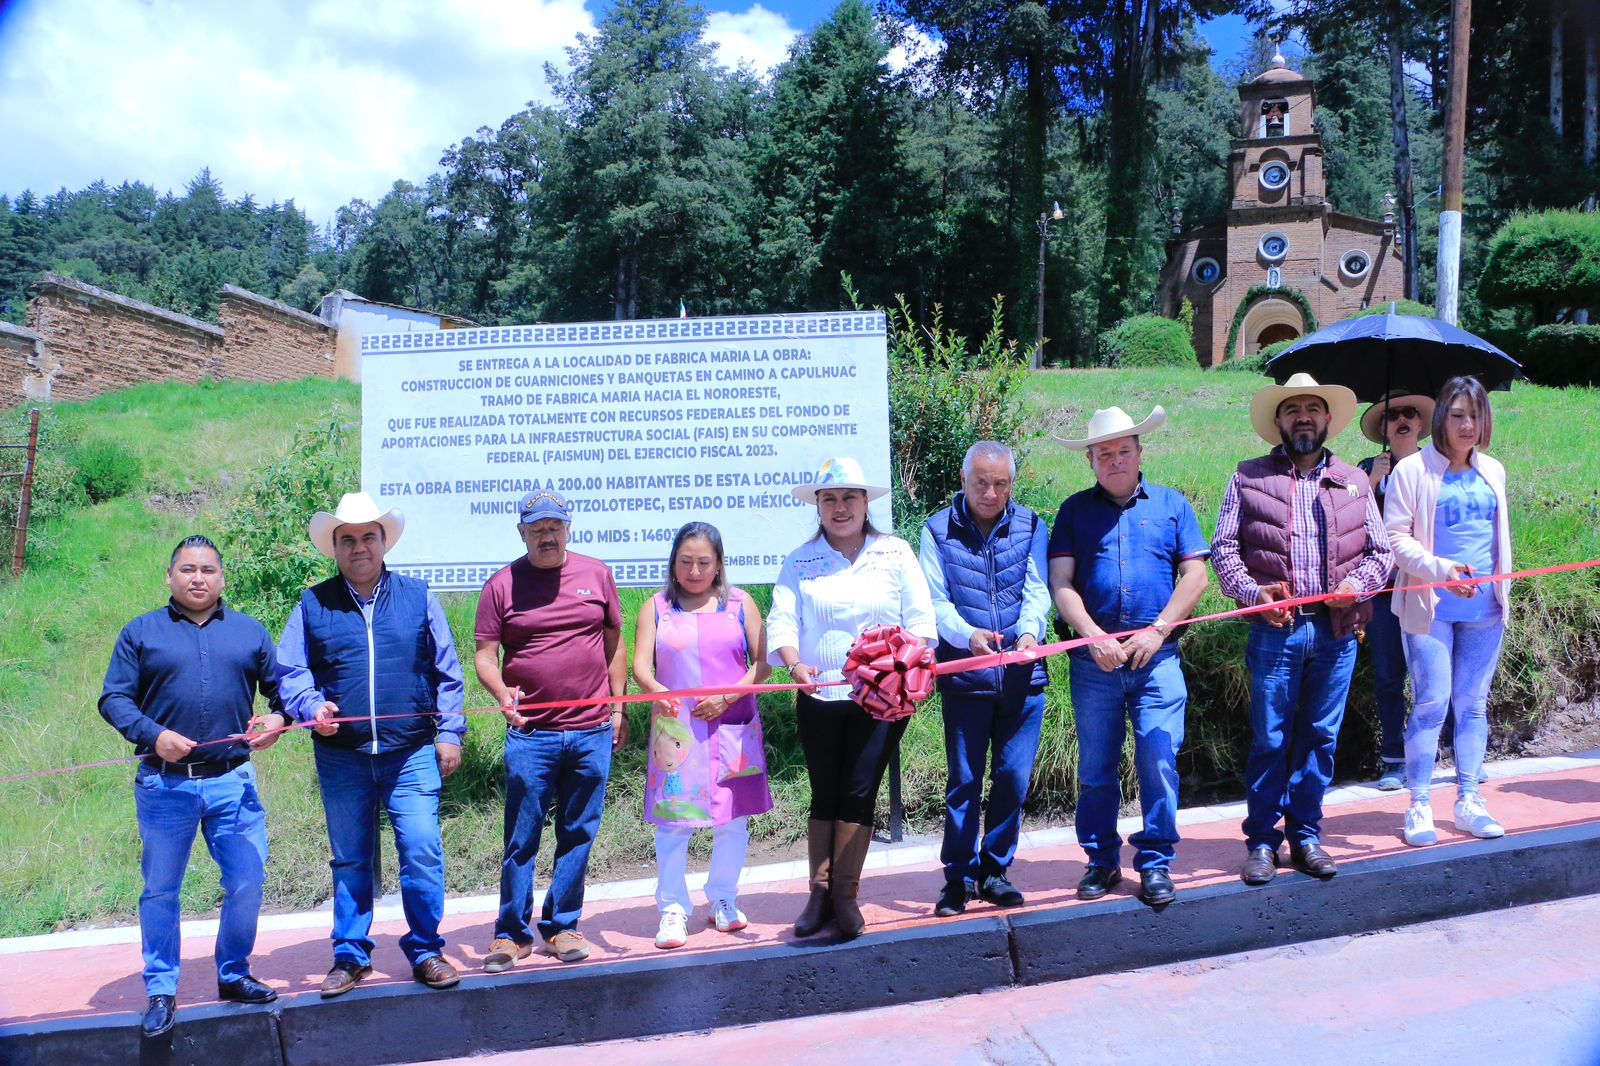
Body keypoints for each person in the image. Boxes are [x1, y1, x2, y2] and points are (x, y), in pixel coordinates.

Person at [277, 492, 465, 997]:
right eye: (347, 540)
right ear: (334, 548)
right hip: (343, 758)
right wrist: (309, 707)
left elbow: (448, 671)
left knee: (422, 849)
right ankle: (351, 955)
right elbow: (291, 672)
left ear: (383, 542)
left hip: (412, 754)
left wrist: (450, 732)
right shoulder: (312, 604)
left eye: (368, 537)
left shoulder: (419, 596)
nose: (359, 547)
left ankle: (426, 949)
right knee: (350, 858)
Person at [99, 535, 286, 1039]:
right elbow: (114, 699)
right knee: (161, 890)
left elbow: (283, 690)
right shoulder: (141, 633)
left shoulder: (249, 633)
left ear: (222, 578)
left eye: (208, 569)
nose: (197, 578)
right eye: (187, 569)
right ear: (169, 575)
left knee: (247, 880)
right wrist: (152, 735)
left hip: (233, 784)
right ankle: (161, 988)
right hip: (165, 787)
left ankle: (234, 974)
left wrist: (279, 717)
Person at [1212, 373, 1394, 885]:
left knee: (1320, 737)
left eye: (1313, 408)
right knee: (1270, 738)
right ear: (1279, 421)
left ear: (1328, 419)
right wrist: (1254, 595)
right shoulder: (1247, 478)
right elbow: (1224, 552)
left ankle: (1307, 836)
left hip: (1337, 634)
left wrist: (1355, 587)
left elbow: (1380, 556)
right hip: (1276, 632)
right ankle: (1263, 842)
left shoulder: (1356, 483)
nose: (1304, 417)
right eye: (1293, 409)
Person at [1047, 407, 1211, 907]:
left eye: (1123, 451)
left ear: (1140, 453)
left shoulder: (1172, 505)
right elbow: (1060, 583)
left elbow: (1196, 576)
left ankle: (1156, 862)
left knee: (1158, 759)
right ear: (1091, 461)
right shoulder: (1074, 511)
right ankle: (1100, 861)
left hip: (1156, 660)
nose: (1114, 460)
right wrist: (1094, 635)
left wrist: (1158, 632)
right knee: (1096, 767)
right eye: (1103, 454)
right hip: (1094, 663)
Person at [768, 457, 937, 939]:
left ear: (866, 503)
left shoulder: (895, 552)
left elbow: (921, 623)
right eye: (829, 499)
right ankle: (818, 893)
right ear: (817, 507)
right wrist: (795, 663)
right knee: (825, 790)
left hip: (881, 700)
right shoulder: (799, 560)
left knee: (859, 789)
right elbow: (781, 619)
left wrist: (907, 670)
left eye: (849, 498)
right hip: (819, 694)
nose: (840, 508)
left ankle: (845, 894)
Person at [474, 489, 629, 968]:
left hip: (591, 729)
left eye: (554, 526)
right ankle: (512, 933)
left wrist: (618, 708)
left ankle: (562, 925)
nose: (547, 535)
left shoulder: (596, 574)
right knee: (521, 836)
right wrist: (502, 694)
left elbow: (615, 643)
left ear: (568, 528)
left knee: (578, 831)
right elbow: (484, 656)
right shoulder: (502, 585)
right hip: (531, 734)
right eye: (537, 528)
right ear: (521, 532)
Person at [918, 441, 1049, 917]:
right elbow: (935, 601)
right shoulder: (935, 531)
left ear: (1012, 483)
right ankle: (957, 878)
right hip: (966, 680)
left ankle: (994, 871)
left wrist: (1031, 632)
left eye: (1001, 483)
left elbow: (1038, 589)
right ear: (963, 477)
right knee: (965, 781)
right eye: (982, 483)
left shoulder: (1033, 524)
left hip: (1023, 677)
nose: (991, 493)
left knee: (1012, 778)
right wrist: (967, 635)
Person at [1384, 375, 1512, 847]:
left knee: (1473, 705)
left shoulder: (1493, 470)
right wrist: (1440, 569)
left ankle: (1469, 799)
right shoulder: (1412, 471)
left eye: (1475, 415)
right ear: (1441, 417)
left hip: (1486, 609)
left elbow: (1499, 540)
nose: (1467, 424)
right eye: (1457, 414)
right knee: (1432, 703)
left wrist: (1501, 589)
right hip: (1429, 606)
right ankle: (1418, 802)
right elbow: (1395, 539)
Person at [632, 522, 772, 949]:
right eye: (686, 562)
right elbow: (640, 667)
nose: (694, 571)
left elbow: (763, 663)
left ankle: (723, 898)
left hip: (732, 723)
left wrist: (728, 697)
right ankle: (673, 908)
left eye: (704, 563)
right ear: (673, 565)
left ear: (719, 565)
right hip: (678, 730)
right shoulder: (655, 606)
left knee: (733, 819)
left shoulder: (740, 604)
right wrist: (658, 692)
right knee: (674, 823)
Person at [1357, 389, 1435, 791]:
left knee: (1433, 676)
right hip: (1383, 590)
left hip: (1425, 586)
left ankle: (1440, 751)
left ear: (1421, 423)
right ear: (1383, 428)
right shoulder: (1366, 469)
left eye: (1409, 413)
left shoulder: (1436, 466)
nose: (1401, 419)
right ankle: (1393, 759)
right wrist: (1373, 480)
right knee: (1389, 677)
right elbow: (1349, 521)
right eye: (1392, 415)